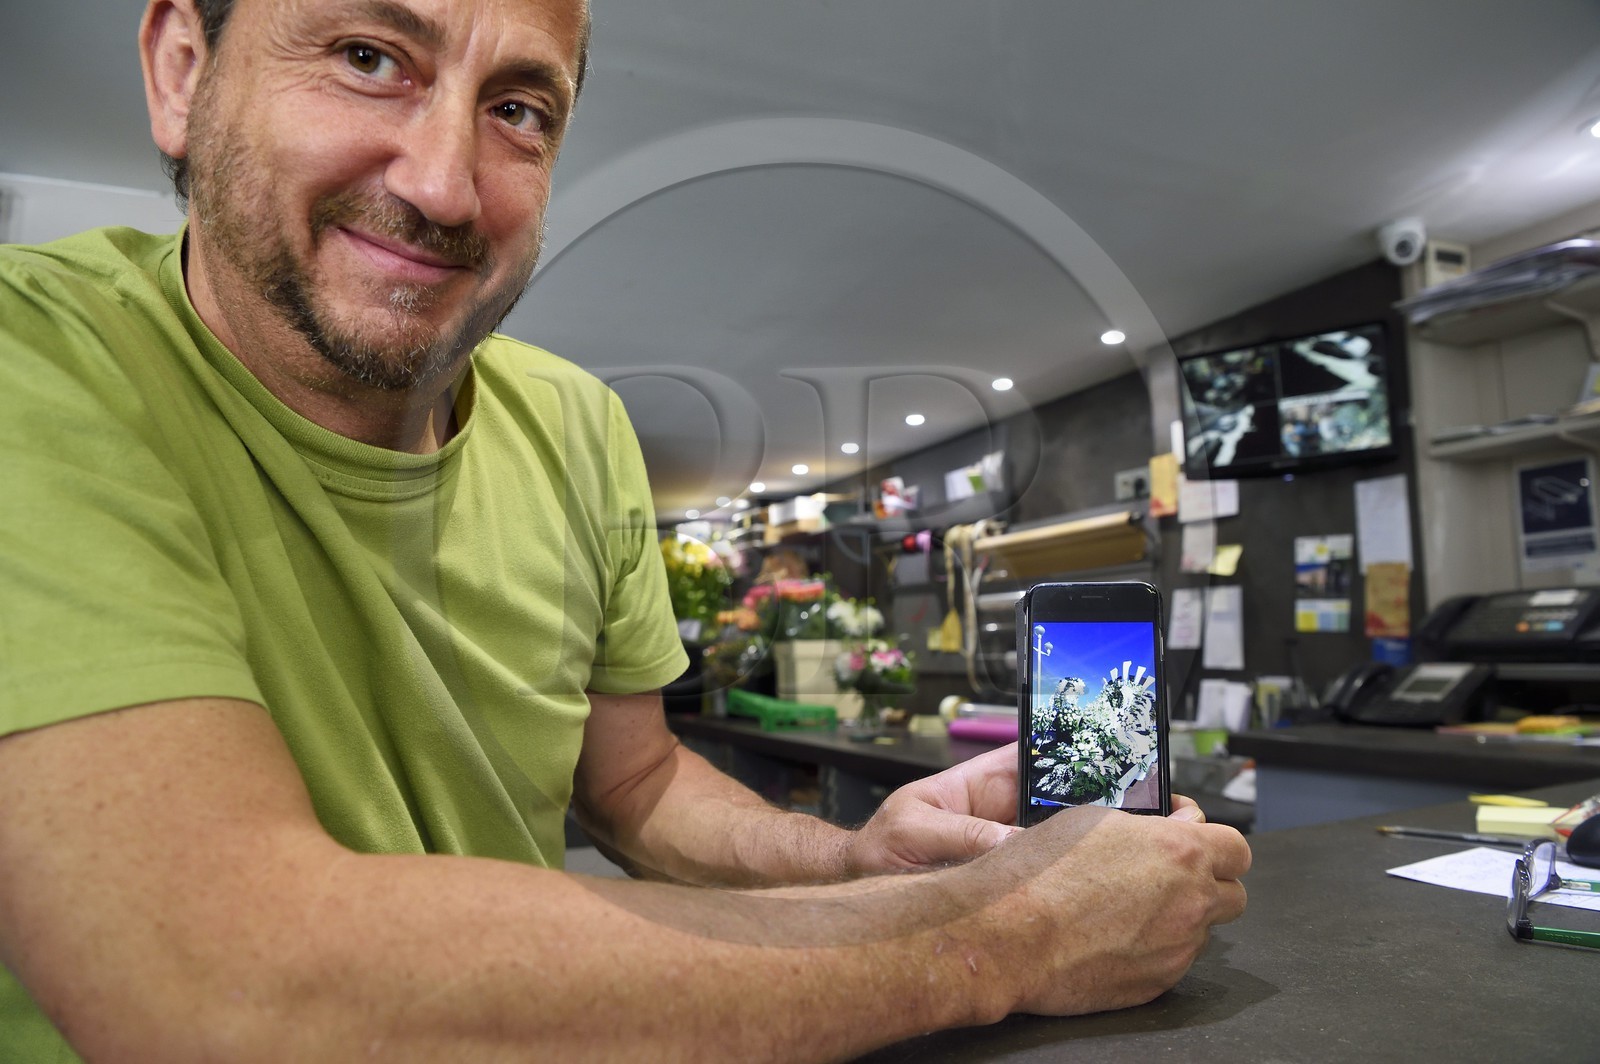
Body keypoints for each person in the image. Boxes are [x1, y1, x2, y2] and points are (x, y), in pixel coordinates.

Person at [0, 0, 1252, 1059]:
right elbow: (218, 977)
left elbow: (635, 783)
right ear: (181, 70)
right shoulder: (35, 363)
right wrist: (1002, 930)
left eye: (519, 110)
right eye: (368, 55)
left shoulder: (577, 423)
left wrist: (855, 859)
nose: (443, 182)